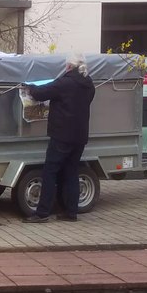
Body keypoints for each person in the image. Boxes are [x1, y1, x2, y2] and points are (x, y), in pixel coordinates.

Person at [23, 54, 95, 223]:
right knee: (71, 172)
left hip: (62, 135)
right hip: (80, 136)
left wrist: (30, 87)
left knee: (50, 171)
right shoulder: (89, 84)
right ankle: (71, 212)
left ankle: (42, 213)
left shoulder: (65, 83)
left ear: (69, 67)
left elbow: (41, 93)